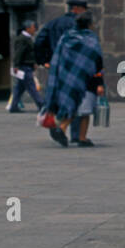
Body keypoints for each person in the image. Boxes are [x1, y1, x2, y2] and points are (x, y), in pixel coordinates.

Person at [46, 11, 103, 148]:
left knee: (73, 106)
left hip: (68, 79)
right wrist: (100, 83)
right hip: (87, 80)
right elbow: (97, 62)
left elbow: (59, 57)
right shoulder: (91, 40)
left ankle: (64, 129)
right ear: (89, 25)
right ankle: (79, 136)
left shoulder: (67, 37)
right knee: (84, 111)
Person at [33, 0, 88, 75]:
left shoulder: (53, 23)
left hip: (55, 65)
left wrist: (43, 61)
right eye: (84, 9)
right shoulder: (79, 24)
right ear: (76, 8)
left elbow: (38, 42)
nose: (85, 12)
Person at [9, 18, 42, 112]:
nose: (34, 29)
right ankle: (41, 104)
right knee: (31, 87)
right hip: (24, 66)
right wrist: (16, 65)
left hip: (27, 65)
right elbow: (19, 53)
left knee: (19, 88)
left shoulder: (27, 38)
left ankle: (14, 106)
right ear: (27, 28)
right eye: (33, 27)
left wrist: (34, 62)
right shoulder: (22, 39)